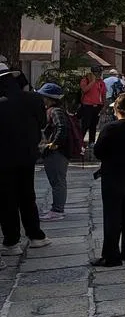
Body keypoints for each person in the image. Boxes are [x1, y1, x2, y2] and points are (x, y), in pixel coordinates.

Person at [0, 67, 50, 256]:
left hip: (3, 159)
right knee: (27, 195)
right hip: (27, 155)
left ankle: (12, 241)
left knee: (6, 200)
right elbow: (43, 123)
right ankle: (35, 235)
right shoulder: (34, 99)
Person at [92, 93, 125, 267]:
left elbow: (98, 151)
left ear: (116, 109)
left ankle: (111, 255)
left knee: (113, 214)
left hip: (113, 174)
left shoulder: (110, 128)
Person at [37, 82, 71, 221]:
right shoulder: (54, 110)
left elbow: (62, 127)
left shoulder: (55, 111)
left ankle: (57, 210)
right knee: (56, 180)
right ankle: (56, 207)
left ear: (48, 97)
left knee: (57, 181)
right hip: (55, 151)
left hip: (57, 152)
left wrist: (54, 144)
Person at [78, 64, 106, 147]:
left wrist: (104, 105)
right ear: (93, 73)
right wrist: (93, 81)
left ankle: (91, 142)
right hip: (87, 105)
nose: (99, 74)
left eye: (100, 73)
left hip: (97, 105)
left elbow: (103, 94)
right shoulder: (85, 80)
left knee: (93, 125)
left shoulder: (101, 82)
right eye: (97, 73)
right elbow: (84, 90)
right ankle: (79, 141)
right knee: (85, 124)